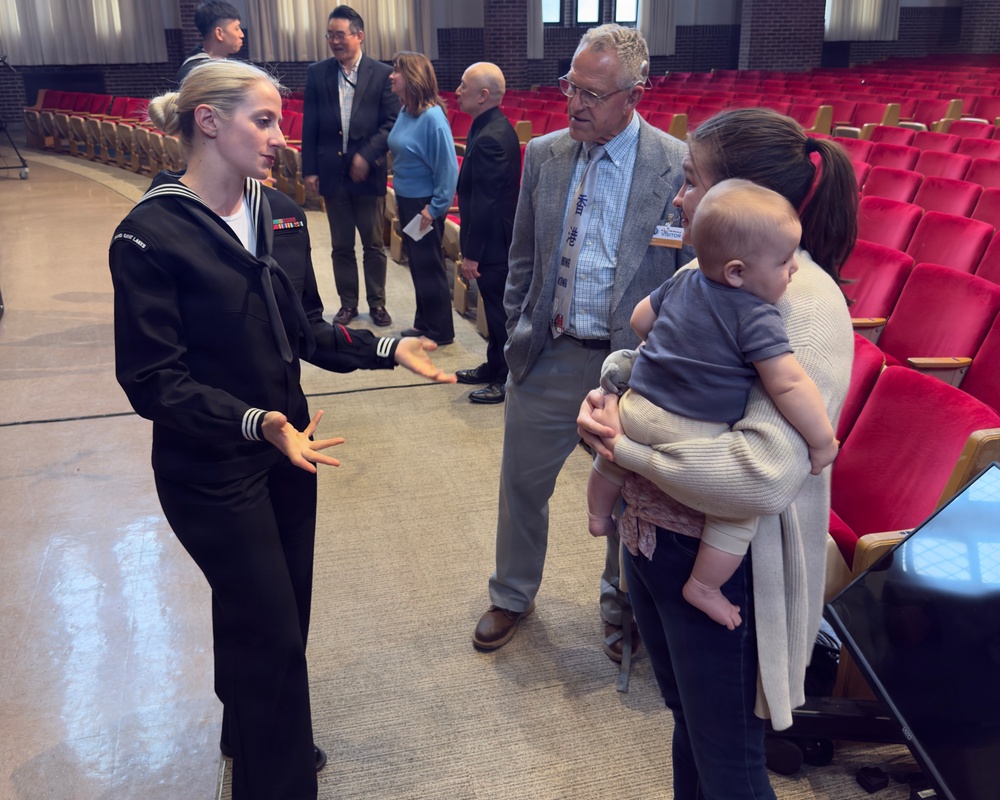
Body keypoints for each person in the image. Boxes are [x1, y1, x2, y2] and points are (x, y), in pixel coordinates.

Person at [108, 60, 455, 800]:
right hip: (211, 466)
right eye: (262, 121)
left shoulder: (283, 211)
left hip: (290, 450)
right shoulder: (148, 234)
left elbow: (304, 329)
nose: (280, 137)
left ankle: (246, 730)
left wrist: (389, 349)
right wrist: (255, 421)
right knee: (270, 633)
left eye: (280, 121)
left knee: (277, 611)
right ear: (208, 121)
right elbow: (151, 381)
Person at [578, 106, 857, 799]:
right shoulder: (715, 276)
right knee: (692, 728)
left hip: (726, 560)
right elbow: (657, 353)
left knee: (729, 759)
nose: (679, 197)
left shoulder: (803, 303)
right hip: (652, 537)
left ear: (742, 197)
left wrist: (629, 446)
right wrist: (612, 384)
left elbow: (758, 478)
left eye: (691, 181)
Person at [472, 24, 691, 660]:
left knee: (628, 497)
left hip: (637, 368)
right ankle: (512, 593)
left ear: (634, 95)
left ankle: (621, 607)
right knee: (521, 485)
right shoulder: (544, 154)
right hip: (553, 351)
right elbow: (522, 256)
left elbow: (692, 274)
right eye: (571, 87)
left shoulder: (674, 165)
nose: (575, 103)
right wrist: (516, 327)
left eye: (592, 94)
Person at [585, 179, 839, 631]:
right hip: (692, 429)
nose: (793, 271)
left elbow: (640, 319)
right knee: (736, 518)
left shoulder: (684, 281)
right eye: (784, 262)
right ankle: (703, 586)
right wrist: (822, 443)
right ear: (738, 272)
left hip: (638, 407)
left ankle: (597, 513)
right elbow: (787, 385)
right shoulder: (757, 314)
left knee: (611, 459)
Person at [302, 5, 399, 328]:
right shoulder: (318, 73)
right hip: (332, 174)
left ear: (359, 35)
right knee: (341, 245)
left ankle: (378, 303)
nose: (334, 41)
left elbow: (390, 123)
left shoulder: (383, 74)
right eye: (329, 35)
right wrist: (309, 170)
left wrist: (366, 155)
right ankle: (347, 304)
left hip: (368, 175)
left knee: (373, 245)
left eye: (340, 34)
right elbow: (310, 125)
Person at [453, 62, 521, 404]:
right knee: (493, 309)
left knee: (499, 315)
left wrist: (472, 253)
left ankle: (505, 379)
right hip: (492, 243)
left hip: (493, 246)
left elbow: (486, 204)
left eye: (464, 85)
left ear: (483, 95)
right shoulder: (488, 127)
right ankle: (494, 366)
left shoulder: (492, 136)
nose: (457, 90)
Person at [387, 51, 459, 346]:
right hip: (407, 199)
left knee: (430, 266)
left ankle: (441, 331)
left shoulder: (433, 118)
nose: (391, 76)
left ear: (413, 78)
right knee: (417, 265)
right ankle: (424, 321)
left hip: (425, 204)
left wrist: (435, 207)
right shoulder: (406, 111)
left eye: (397, 71)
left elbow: (448, 167)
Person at [175, 1, 244, 87]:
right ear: (219, 33)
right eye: (237, 28)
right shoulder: (195, 72)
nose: (242, 35)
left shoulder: (225, 64)